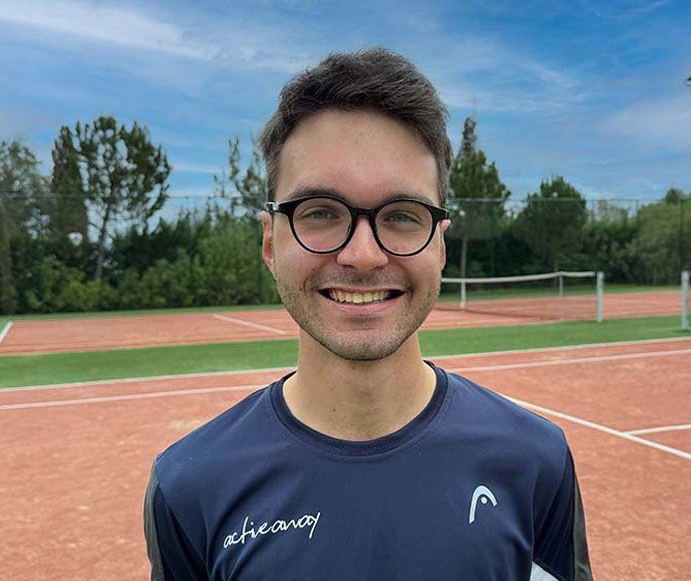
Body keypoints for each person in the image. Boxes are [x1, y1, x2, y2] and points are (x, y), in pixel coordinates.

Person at [144, 47, 593, 581]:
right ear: (270, 241)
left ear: (441, 247)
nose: (363, 254)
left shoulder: (535, 461)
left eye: (403, 215)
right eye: (320, 213)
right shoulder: (190, 485)